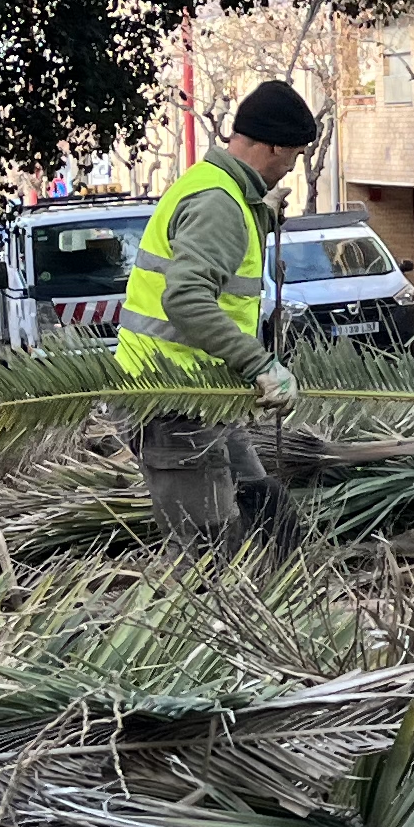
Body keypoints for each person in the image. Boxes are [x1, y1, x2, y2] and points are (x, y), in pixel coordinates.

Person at [115, 82, 318, 531]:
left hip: (202, 395)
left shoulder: (218, 186)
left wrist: (262, 213)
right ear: (271, 148)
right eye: (295, 155)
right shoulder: (219, 203)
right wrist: (260, 365)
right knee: (207, 550)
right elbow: (186, 298)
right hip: (170, 398)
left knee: (267, 516)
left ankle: (284, 594)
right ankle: (200, 601)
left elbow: (221, 263)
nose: (291, 168)